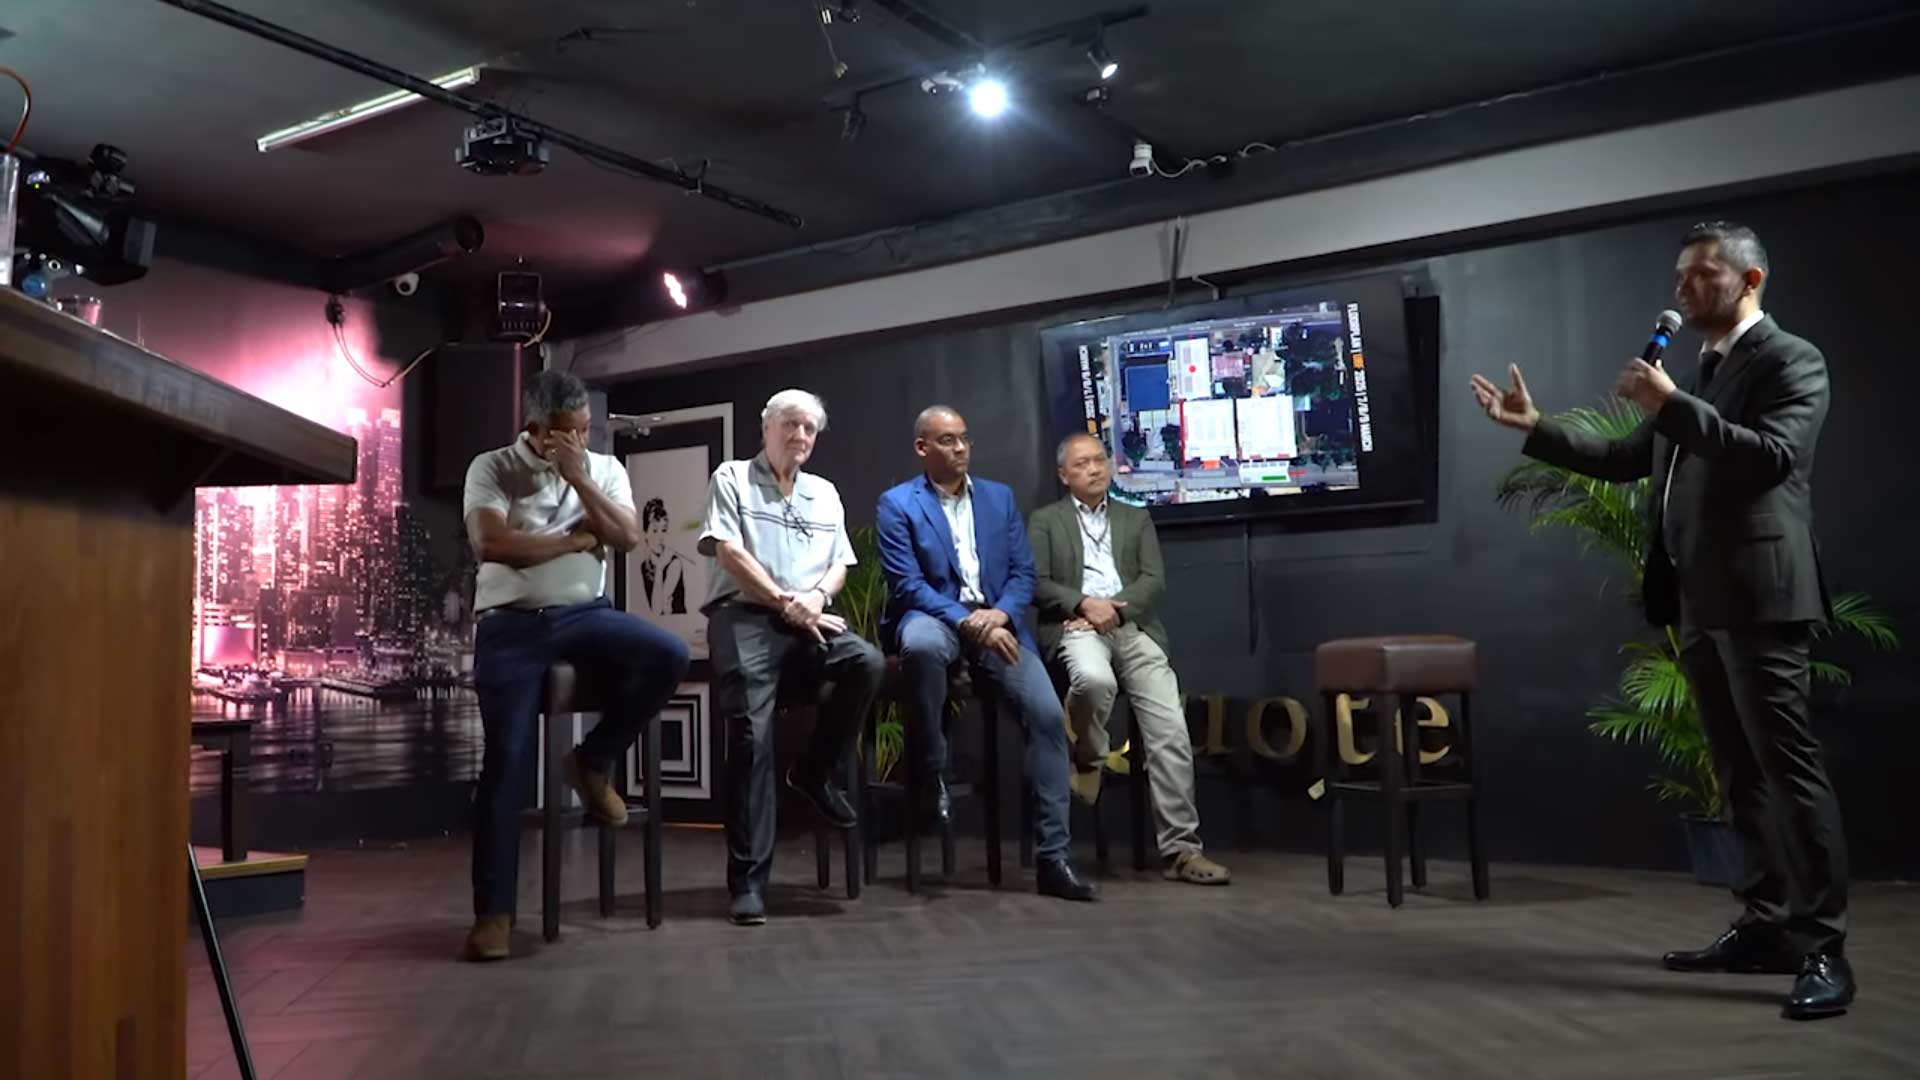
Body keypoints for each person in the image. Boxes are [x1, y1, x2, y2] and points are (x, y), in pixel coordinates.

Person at [1470, 220, 1850, 1021]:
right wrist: (1535, 427)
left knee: (1789, 773)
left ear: (1750, 280)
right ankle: (1767, 925)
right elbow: (1624, 459)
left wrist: (1672, 402)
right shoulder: (1706, 370)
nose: (1681, 288)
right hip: (1699, 601)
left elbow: (1771, 458)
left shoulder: (1790, 359)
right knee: (1739, 774)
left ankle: (1823, 947)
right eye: (1679, 275)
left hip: (1762, 597)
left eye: (1701, 274)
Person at [461, 369, 690, 961]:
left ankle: (592, 761)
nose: (581, 440)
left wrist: (579, 478)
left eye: (587, 429)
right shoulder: (493, 468)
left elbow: (627, 536)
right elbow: (492, 544)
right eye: (569, 433)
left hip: (584, 615)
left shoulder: (603, 470)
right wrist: (573, 541)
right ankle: (494, 914)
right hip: (509, 625)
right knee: (506, 764)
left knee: (668, 655)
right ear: (537, 429)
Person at [875, 405, 1097, 902]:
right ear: (922, 448)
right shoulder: (898, 504)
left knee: (1046, 716)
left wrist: (998, 615)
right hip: (935, 617)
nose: (960, 448)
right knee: (921, 645)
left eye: (964, 438)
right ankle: (932, 769)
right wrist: (967, 621)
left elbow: (1022, 574)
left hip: (996, 622)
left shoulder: (999, 498)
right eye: (947, 440)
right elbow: (907, 584)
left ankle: (1054, 860)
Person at [700, 389, 885, 926]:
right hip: (745, 616)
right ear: (767, 428)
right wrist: (785, 602)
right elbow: (729, 552)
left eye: (809, 428)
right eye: (791, 425)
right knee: (751, 738)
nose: (800, 436)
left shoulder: (824, 493)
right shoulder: (732, 478)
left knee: (866, 663)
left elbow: (840, 564)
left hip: (808, 618)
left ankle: (813, 771)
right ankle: (748, 884)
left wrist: (817, 598)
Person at [1028, 433, 1230, 885]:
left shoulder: (1135, 517)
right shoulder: (1045, 521)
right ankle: (1089, 756)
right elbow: (1036, 581)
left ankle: (1182, 851)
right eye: (1082, 463)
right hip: (1075, 627)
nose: (1094, 469)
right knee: (1095, 680)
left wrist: (1113, 611)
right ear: (1063, 474)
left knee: (1170, 729)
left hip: (1131, 628)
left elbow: (1153, 580)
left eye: (1099, 460)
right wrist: (1084, 604)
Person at [638, 497, 689, 615]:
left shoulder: (674, 563)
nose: (660, 537)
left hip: (677, 622)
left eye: (664, 530)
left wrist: (660, 568)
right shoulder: (644, 565)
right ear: (645, 533)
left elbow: (657, 610)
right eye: (655, 531)